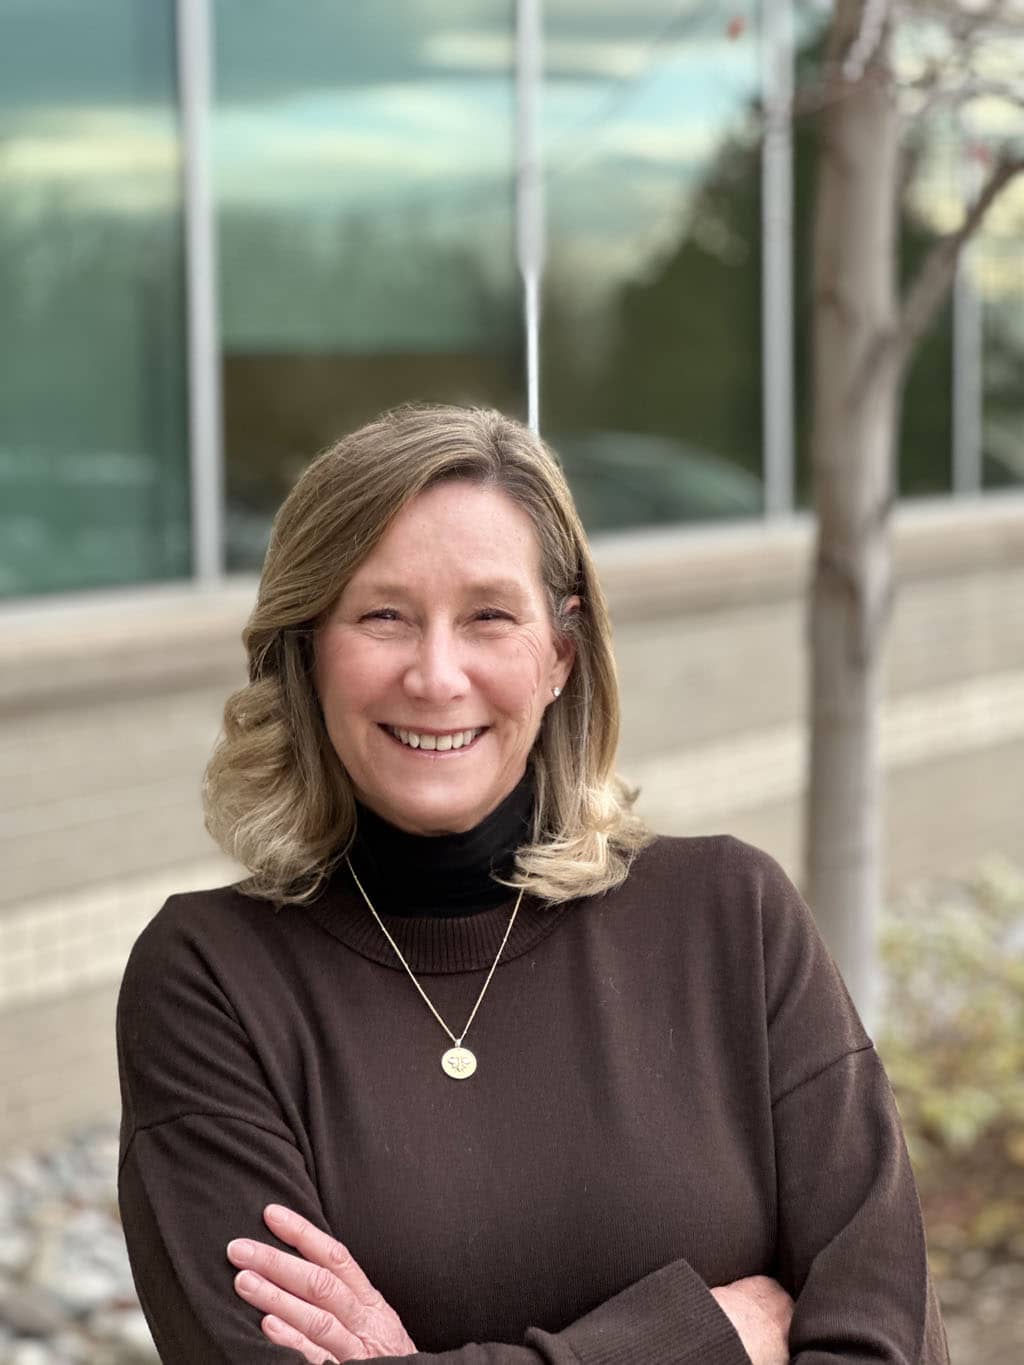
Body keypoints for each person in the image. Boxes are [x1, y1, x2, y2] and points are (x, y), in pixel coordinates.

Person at [116, 404, 949, 1364]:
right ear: (308, 649)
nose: (435, 675)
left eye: (488, 616)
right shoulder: (210, 981)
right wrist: (708, 1337)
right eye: (383, 614)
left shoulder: (733, 917)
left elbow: (892, 1341)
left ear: (560, 652)